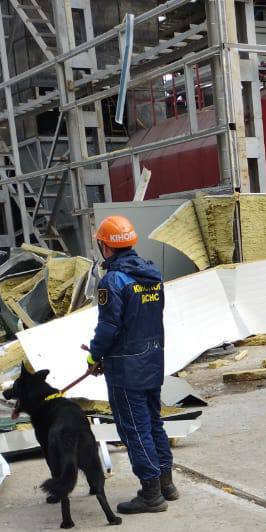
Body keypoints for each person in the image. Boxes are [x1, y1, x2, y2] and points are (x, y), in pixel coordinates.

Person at [86, 214, 177, 514]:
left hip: (126, 368)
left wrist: (95, 355)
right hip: (153, 361)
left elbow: (109, 327)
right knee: (153, 423)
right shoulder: (152, 274)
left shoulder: (113, 281)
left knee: (135, 429)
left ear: (107, 248)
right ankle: (166, 483)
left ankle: (151, 494)